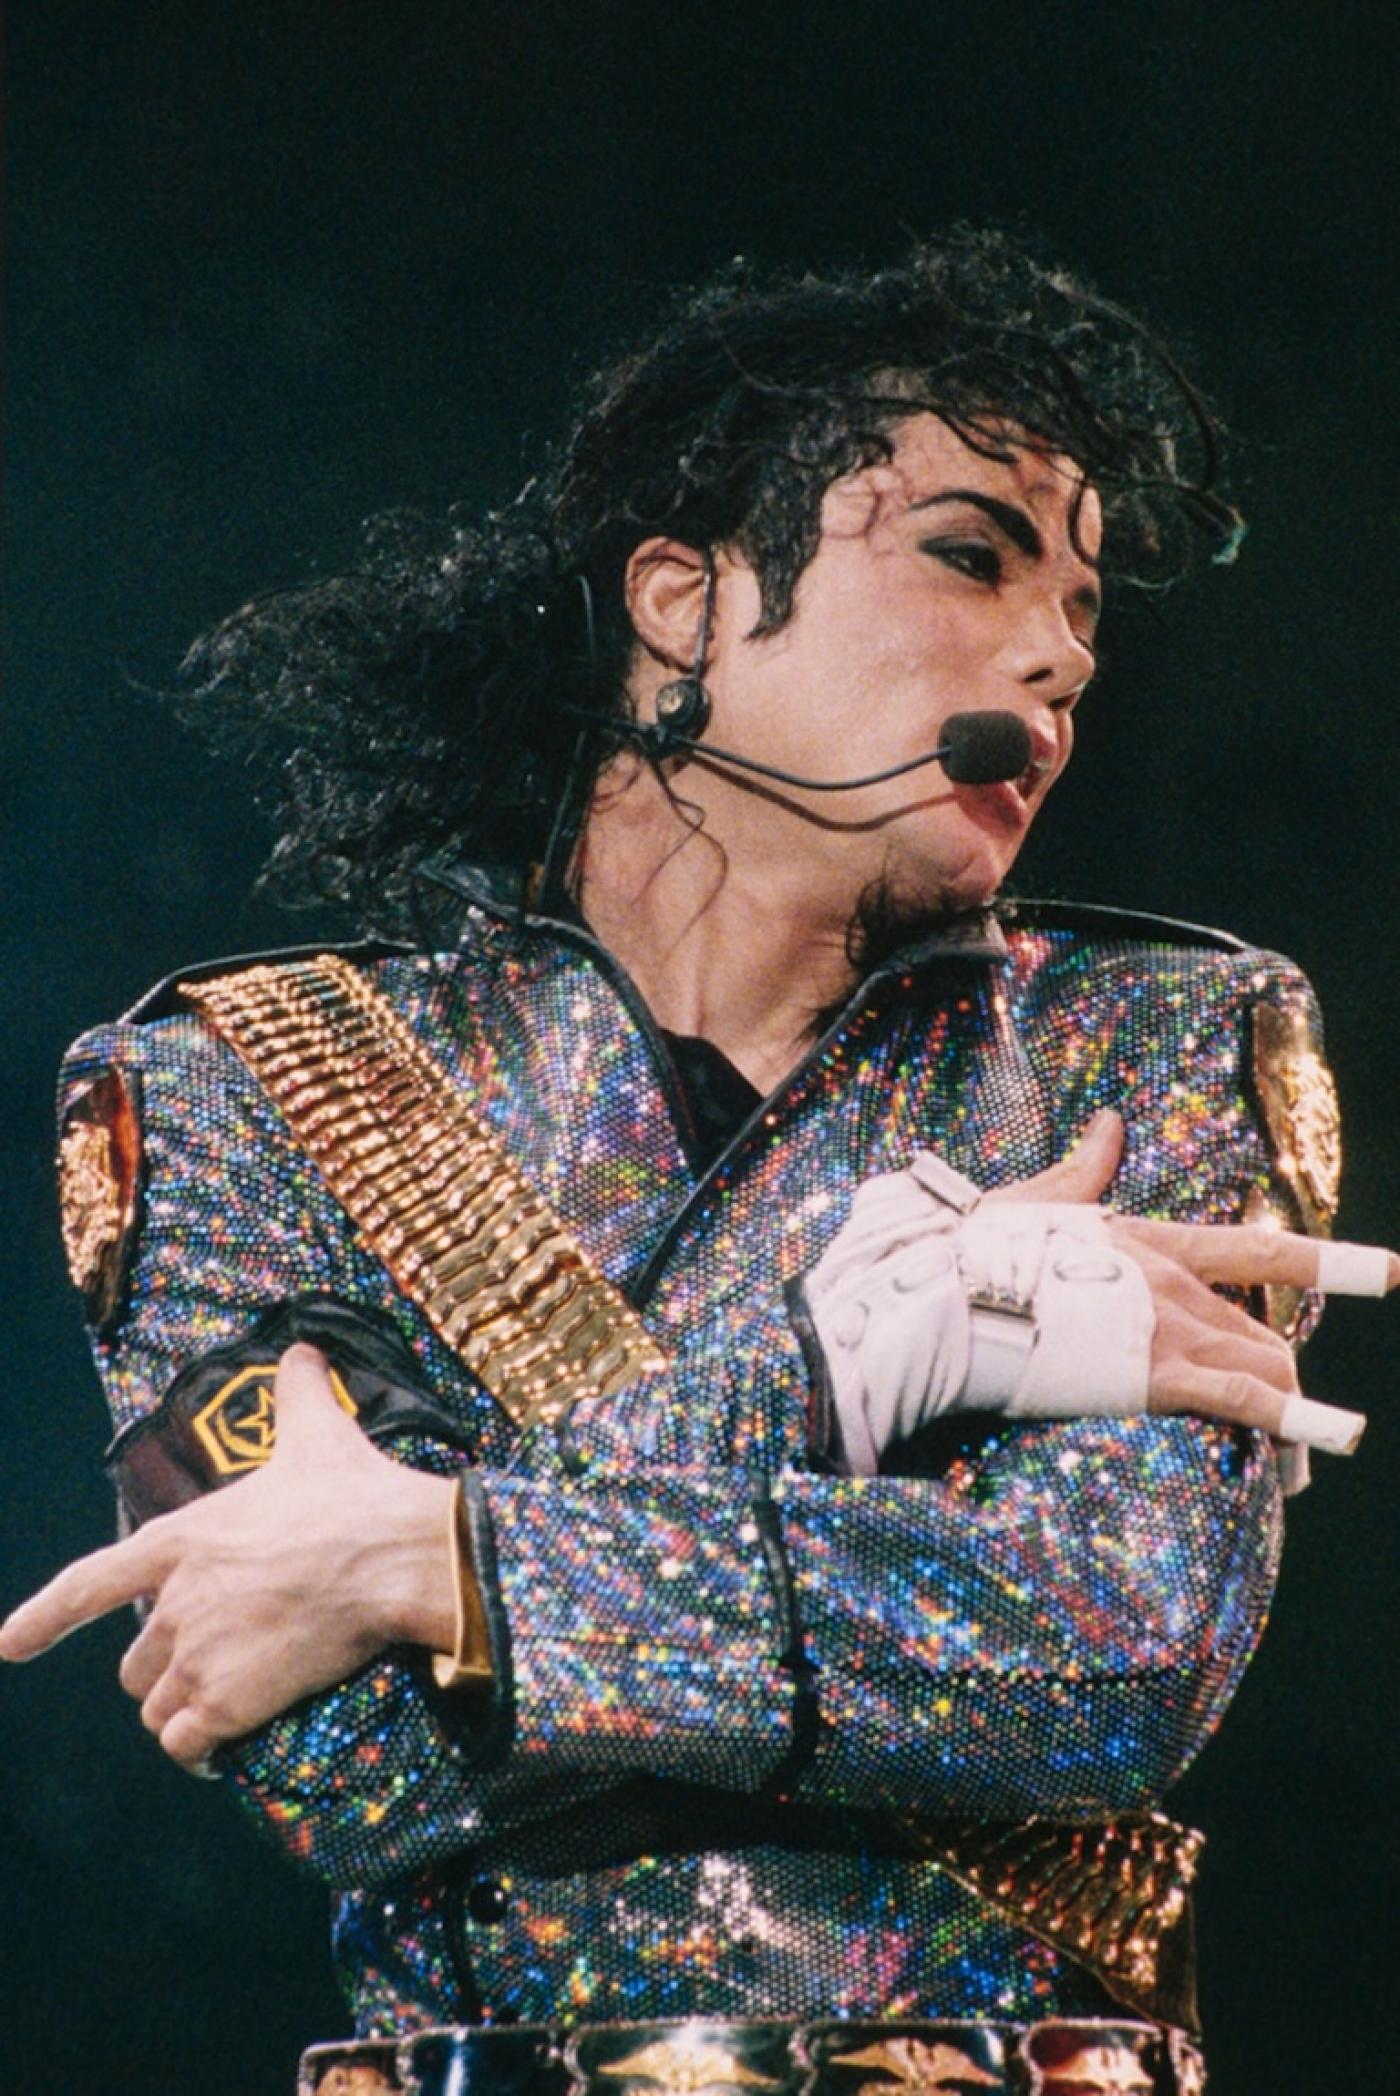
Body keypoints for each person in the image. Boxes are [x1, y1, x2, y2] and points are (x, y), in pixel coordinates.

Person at [3, 231, 1394, 2096]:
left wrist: (432, 1549)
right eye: (971, 554)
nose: (1062, 652)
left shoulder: (1149, 1049)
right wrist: (838, 1376)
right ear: (684, 606)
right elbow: (342, 1759)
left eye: (1080, 606)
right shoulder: (246, 1083)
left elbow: (1105, 1653)